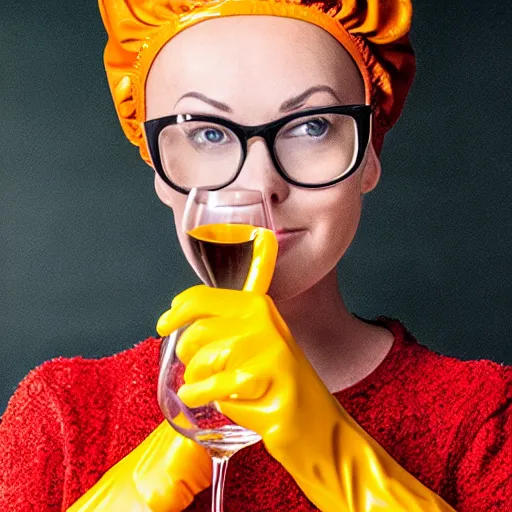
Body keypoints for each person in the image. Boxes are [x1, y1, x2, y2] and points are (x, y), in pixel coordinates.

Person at [0, 0, 510, 510]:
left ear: (370, 151)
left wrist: (325, 444)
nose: (261, 185)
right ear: (157, 165)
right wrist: (138, 487)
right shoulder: (63, 414)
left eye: (312, 127)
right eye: (209, 133)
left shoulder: (486, 417)